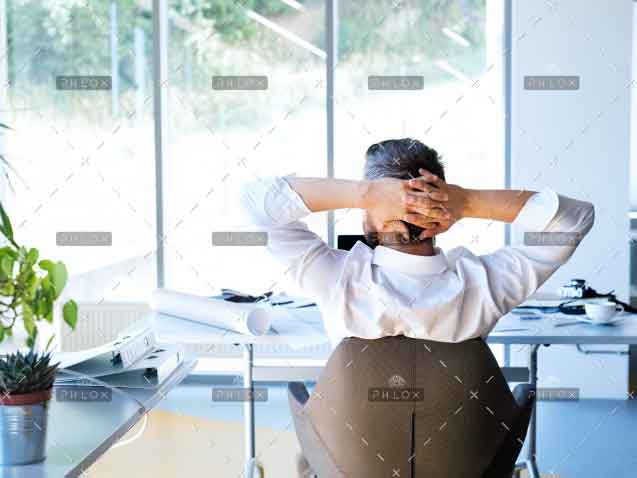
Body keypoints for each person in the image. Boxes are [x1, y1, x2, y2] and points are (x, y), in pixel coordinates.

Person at [238, 137, 595, 346]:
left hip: (350, 464)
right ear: (443, 220)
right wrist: (466, 201)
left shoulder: (332, 279)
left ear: (366, 215)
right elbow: (577, 217)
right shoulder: (487, 284)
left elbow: (254, 202)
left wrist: (365, 194)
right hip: (461, 463)